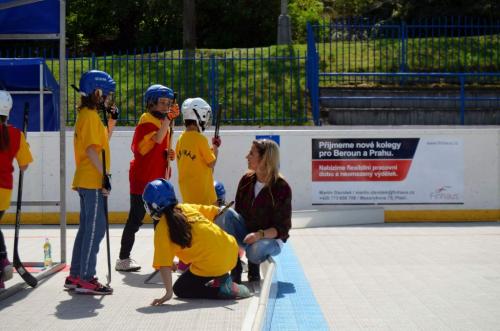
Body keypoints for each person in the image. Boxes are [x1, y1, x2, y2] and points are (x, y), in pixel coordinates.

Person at [142, 178, 251, 304]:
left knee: (181, 288)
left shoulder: (161, 229)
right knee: (205, 259)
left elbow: (164, 265)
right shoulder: (186, 207)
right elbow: (215, 211)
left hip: (213, 263)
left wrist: (168, 293)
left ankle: (224, 290)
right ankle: (222, 278)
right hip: (232, 252)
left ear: (154, 206)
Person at [64, 70, 118, 295]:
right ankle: (86, 277)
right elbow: (91, 151)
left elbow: (101, 142)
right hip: (92, 180)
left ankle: (76, 274)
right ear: (97, 92)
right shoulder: (89, 116)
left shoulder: (88, 115)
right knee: (95, 230)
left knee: (87, 229)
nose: (108, 99)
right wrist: (104, 176)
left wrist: (112, 121)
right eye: (106, 95)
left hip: (87, 179)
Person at [115, 84, 179, 272]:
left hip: (158, 180)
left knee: (161, 222)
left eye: (168, 103)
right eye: (162, 103)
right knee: (136, 219)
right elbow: (156, 139)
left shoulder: (162, 122)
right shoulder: (147, 120)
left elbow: (159, 146)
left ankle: (163, 259)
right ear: (151, 103)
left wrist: (169, 154)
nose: (165, 106)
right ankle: (123, 258)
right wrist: (168, 119)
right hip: (143, 179)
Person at [215, 139, 292, 283]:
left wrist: (259, 235)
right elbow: (238, 214)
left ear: (264, 159)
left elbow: (283, 229)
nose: (247, 156)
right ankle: (235, 266)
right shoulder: (246, 180)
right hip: (248, 234)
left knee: (254, 250)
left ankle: (253, 266)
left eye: (251, 153)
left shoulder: (282, 187)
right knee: (223, 212)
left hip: (269, 238)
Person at [0, 90, 33, 291]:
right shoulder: (15, 134)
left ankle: (3, 260)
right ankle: (1, 267)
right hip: (4, 190)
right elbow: (24, 165)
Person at [175, 97, 221, 205]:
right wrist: (215, 147)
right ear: (200, 115)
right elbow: (211, 163)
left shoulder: (180, 139)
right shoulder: (200, 139)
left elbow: (197, 162)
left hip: (187, 194)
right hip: (204, 195)